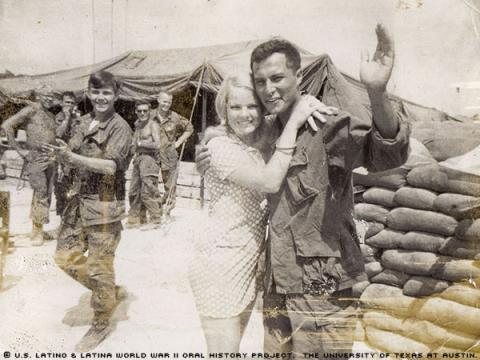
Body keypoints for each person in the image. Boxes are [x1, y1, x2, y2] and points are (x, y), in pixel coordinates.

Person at [196, 25, 410, 358]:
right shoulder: (267, 132)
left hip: (322, 288)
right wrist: (207, 146)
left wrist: (377, 93)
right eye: (261, 81)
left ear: (298, 76)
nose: (269, 89)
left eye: (278, 78)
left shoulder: (324, 123)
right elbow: (229, 135)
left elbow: (387, 154)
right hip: (278, 284)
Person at [189, 72, 331, 353]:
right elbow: (268, 181)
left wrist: (307, 103)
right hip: (220, 261)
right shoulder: (219, 147)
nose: (245, 114)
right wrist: (294, 123)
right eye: (236, 107)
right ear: (223, 110)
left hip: (246, 259)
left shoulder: (258, 139)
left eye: (252, 106)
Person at [45, 70, 133, 351]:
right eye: (96, 92)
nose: (101, 97)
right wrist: (62, 151)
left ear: (115, 96)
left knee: (99, 268)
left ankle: (101, 324)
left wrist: (72, 158)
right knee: (64, 257)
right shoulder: (83, 122)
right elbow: (71, 151)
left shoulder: (121, 128)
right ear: (89, 94)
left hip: (104, 206)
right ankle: (107, 292)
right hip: (78, 204)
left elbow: (111, 166)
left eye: (106, 92)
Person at [1, 86, 57, 246]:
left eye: (52, 96)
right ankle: (38, 231)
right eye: (47, 96)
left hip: (51, 158)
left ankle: (35, 229)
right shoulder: (31, 110)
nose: (50, 99)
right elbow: (7, 125)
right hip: (35, 158)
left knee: (46, 192)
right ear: (39, 96)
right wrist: (20, 151)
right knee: (41, 192)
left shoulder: (50, 114)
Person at [153, 90, 194, 216]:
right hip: (152, 155)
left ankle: (168, 211)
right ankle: (155, 209)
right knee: (150, 184)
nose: (167, 104)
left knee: (170, 186)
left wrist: (178, 142)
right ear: (158, 100)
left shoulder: (174, 117)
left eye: (169, 102)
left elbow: (189, 128)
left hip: (169, 155)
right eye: (164, 101)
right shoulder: (149, 116)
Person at [126, 100, 163, 229]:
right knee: (134, 191)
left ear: (149, 111)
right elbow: (134, 143)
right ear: (136, 112)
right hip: (138, 159)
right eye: (140, 111)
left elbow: (157, 145)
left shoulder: (153, 125)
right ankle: (137, 218)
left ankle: (155, 219)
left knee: (148, 190)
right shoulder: (138, 125)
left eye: (145, 111)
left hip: (149, 159)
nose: (142, 113)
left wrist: (140, 144)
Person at [54, 91, 81, 218]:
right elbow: (58, 134)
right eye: (67, 102)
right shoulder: (58, 117)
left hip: (74, 158)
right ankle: (62, 220)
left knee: (75, 189)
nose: (69, 105)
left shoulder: (78, 118)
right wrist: (66, 118)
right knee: (60, 190)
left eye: (72, 103)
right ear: (61, 103)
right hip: (60, 160)